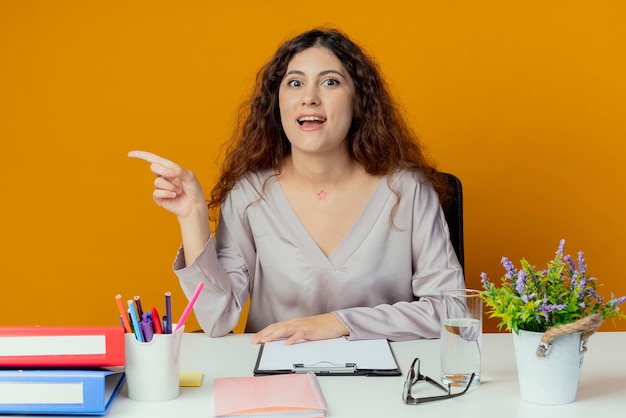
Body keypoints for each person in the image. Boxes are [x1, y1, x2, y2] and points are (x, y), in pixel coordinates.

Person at [129, 28, 464, 345]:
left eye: (330, 82)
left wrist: (338, 323)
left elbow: (453, 310)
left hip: (390, 384)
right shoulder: (250, 194)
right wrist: (192, 217)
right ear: (277, 103)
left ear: (358, 101)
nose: (309, 98)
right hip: (278, 389)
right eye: (294, 83)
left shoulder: (406, 190)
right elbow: (217, 318)